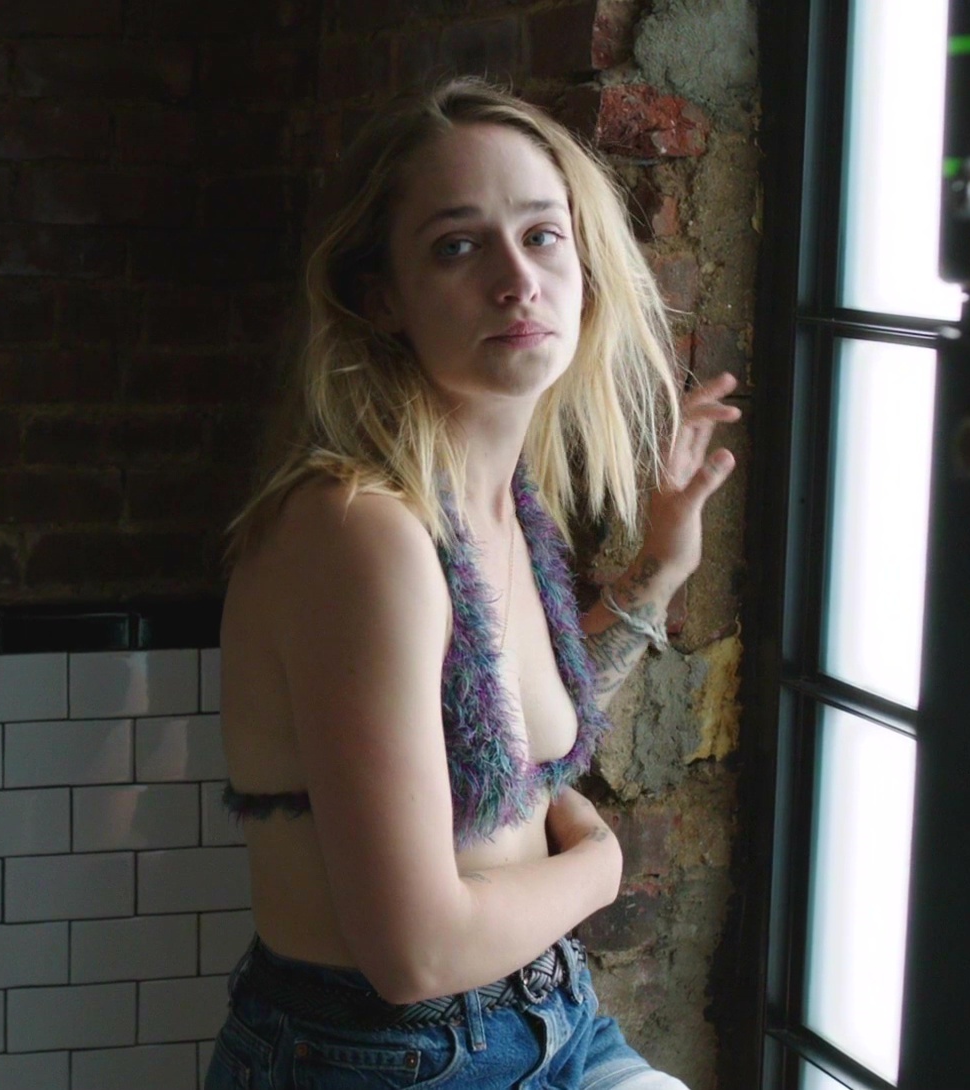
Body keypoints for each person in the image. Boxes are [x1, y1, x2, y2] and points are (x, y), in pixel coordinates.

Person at [205, 75, 741, 1089]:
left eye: (543, 236)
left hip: (557, 1023)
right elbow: (417, 952)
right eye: (458, 246)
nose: (517, 278)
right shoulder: (359, 530)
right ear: (382, 298)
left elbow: (504, 739)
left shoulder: (501, 507)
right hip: (385, 1059)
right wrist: (600, 866)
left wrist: (655, 574)